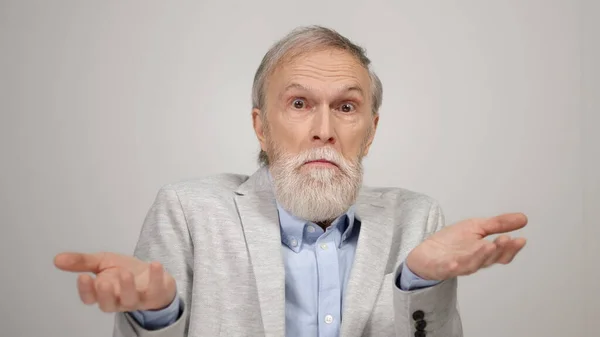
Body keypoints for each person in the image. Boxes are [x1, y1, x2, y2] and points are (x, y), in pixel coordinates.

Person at [53, 25, 528, 337]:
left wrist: (417, 280)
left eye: (346, 107)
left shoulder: (417, 218)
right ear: (261, 126)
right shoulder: (189, 210)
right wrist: (155, 315)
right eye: (299, 103)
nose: (324, 129)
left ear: (370, 130)